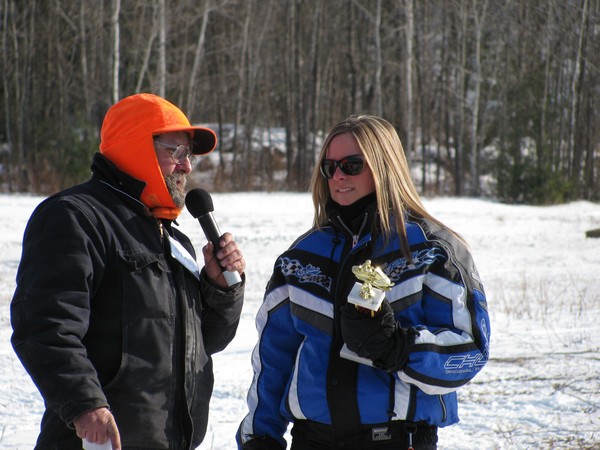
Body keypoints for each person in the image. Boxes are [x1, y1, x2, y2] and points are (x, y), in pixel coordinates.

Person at [237, 115, 490, 450]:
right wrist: (260, 437)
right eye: (330, 167)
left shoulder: (432, 250)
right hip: (312, 440)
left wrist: (397, 347)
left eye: (352, 165)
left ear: (384, 167)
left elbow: (471, 350)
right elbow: (274, 361)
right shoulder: (300, 258)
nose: (338, 175)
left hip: (398, 440)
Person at [11, 93, 246, 449]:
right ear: (134, 147)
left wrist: (220, 290)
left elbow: (207, 342)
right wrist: (85, 405)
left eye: (189, 156)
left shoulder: (172, 237)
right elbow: (44, 327)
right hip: (98, 441)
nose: (186, 167)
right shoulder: (75, 217)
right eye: (175, 152)